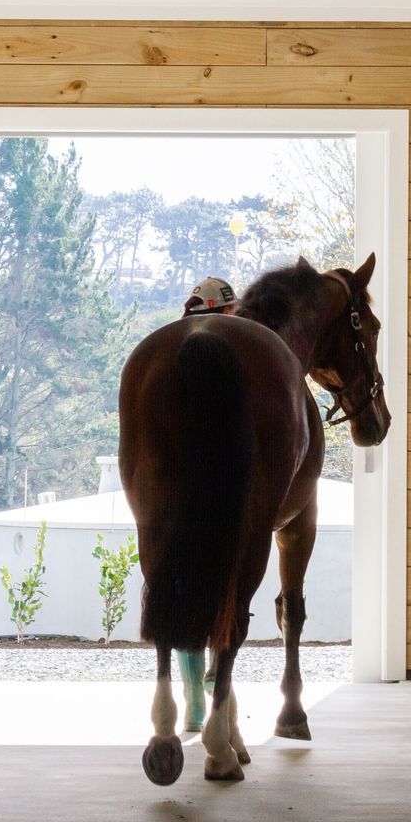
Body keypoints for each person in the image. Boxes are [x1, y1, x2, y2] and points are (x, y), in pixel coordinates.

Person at [174, 275, 236, 730]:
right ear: (227, 314)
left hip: (175, 498)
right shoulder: (232, 352)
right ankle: (216, 691)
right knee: (224, 585)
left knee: (181, 589)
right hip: (220, 492)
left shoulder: (169, 351)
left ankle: (192, 702)